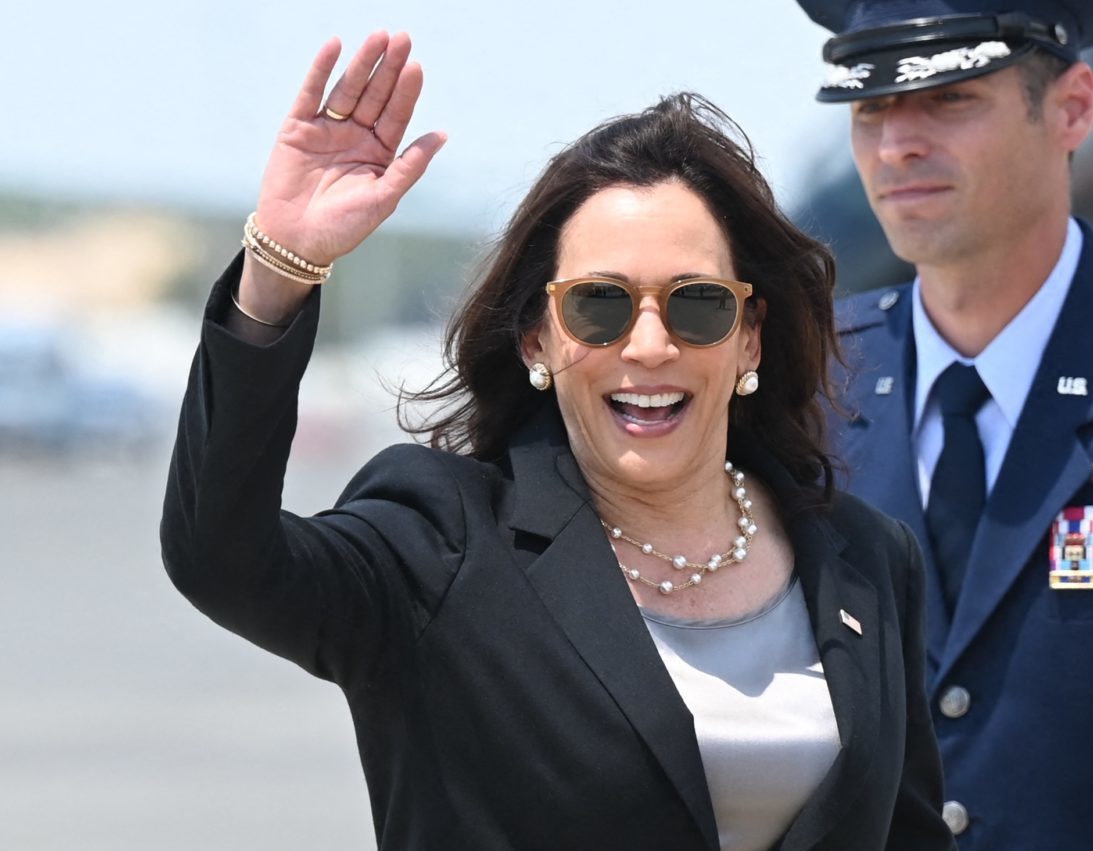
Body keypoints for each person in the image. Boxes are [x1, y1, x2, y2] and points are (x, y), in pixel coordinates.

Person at [159, 31, 957, 851]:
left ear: (750, 336)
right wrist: (279, 274)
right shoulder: (444, 543)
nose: (649, 344)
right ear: (538, 338)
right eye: (600, 306)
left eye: (698, 305)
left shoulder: (863, 560)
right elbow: (221, 558)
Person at [794, 0, 1093, 848]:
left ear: (1074, 108)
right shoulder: (800, 394)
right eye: (869, 107)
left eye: (950, 99)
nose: (896, 143)